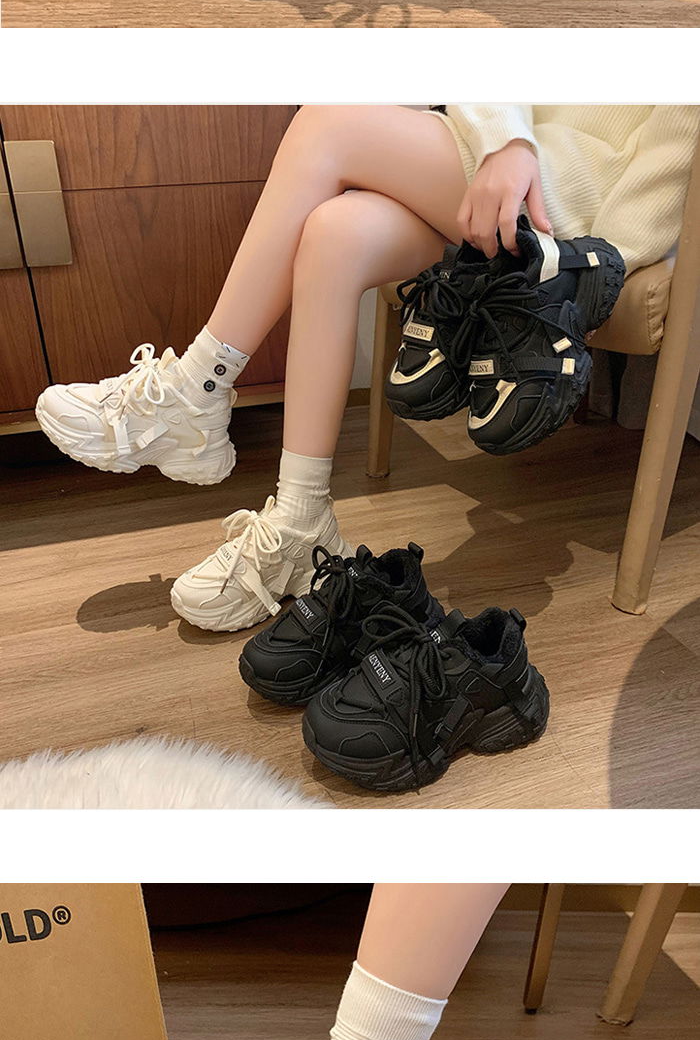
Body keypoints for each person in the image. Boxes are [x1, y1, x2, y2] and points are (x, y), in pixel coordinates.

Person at [34, 90, 700, 639]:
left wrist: (592, 264)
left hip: (564, 205)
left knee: (326, 122)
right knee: (335, 234)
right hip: (508, 161)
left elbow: (677, 152)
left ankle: (195, 389)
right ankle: (301, 524)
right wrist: (507, 140)